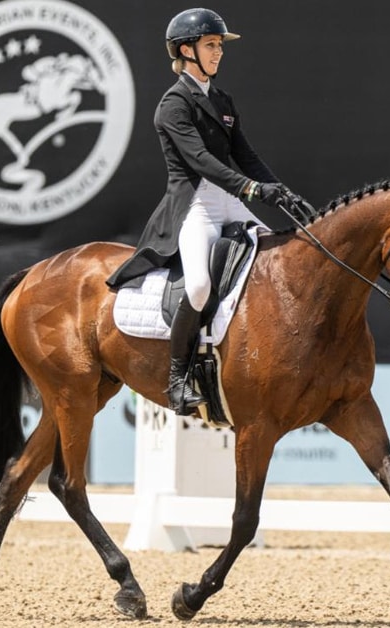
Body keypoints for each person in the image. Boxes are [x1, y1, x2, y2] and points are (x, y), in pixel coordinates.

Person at [105, 8, 306, 415]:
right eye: (211, 45)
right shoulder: (173, 104)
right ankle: (178, 379)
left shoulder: (222, 100)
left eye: (218, 46)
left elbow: (244, 155)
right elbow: (200, 161)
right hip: (194, 206)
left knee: (280, 264)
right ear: (187, 49)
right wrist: (252, 189)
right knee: (198, 286)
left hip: (228, 200)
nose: (218, 52)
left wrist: (279, 191)